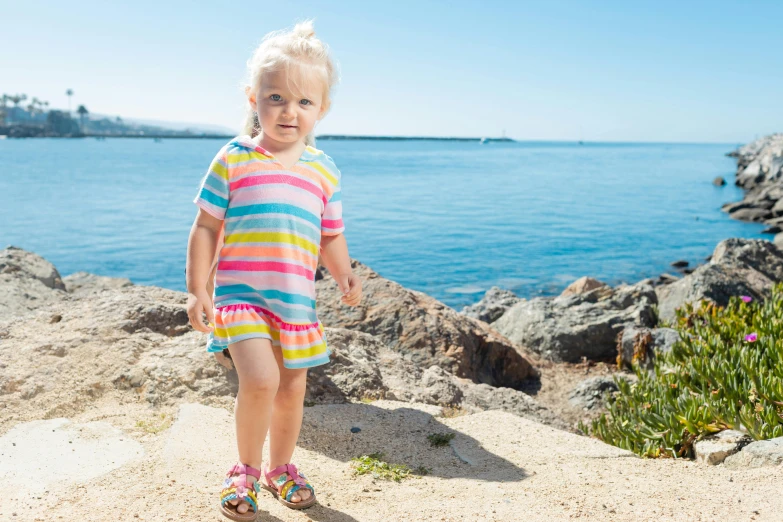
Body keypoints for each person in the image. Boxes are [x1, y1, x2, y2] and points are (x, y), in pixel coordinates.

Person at [185, 20, 362, 521]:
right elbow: (205, 227)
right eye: (277, 97)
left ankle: (280, 467)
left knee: (291, 388)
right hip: (241, 296)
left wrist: (344, 271)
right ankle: (243, 468)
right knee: (260, 380)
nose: (289, 111)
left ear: (321, 109)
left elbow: (330, 232)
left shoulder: (324, 169)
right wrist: (198, 288)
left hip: (295, 303)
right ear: (253, 98)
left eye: (304, 102)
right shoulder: (235, 158)